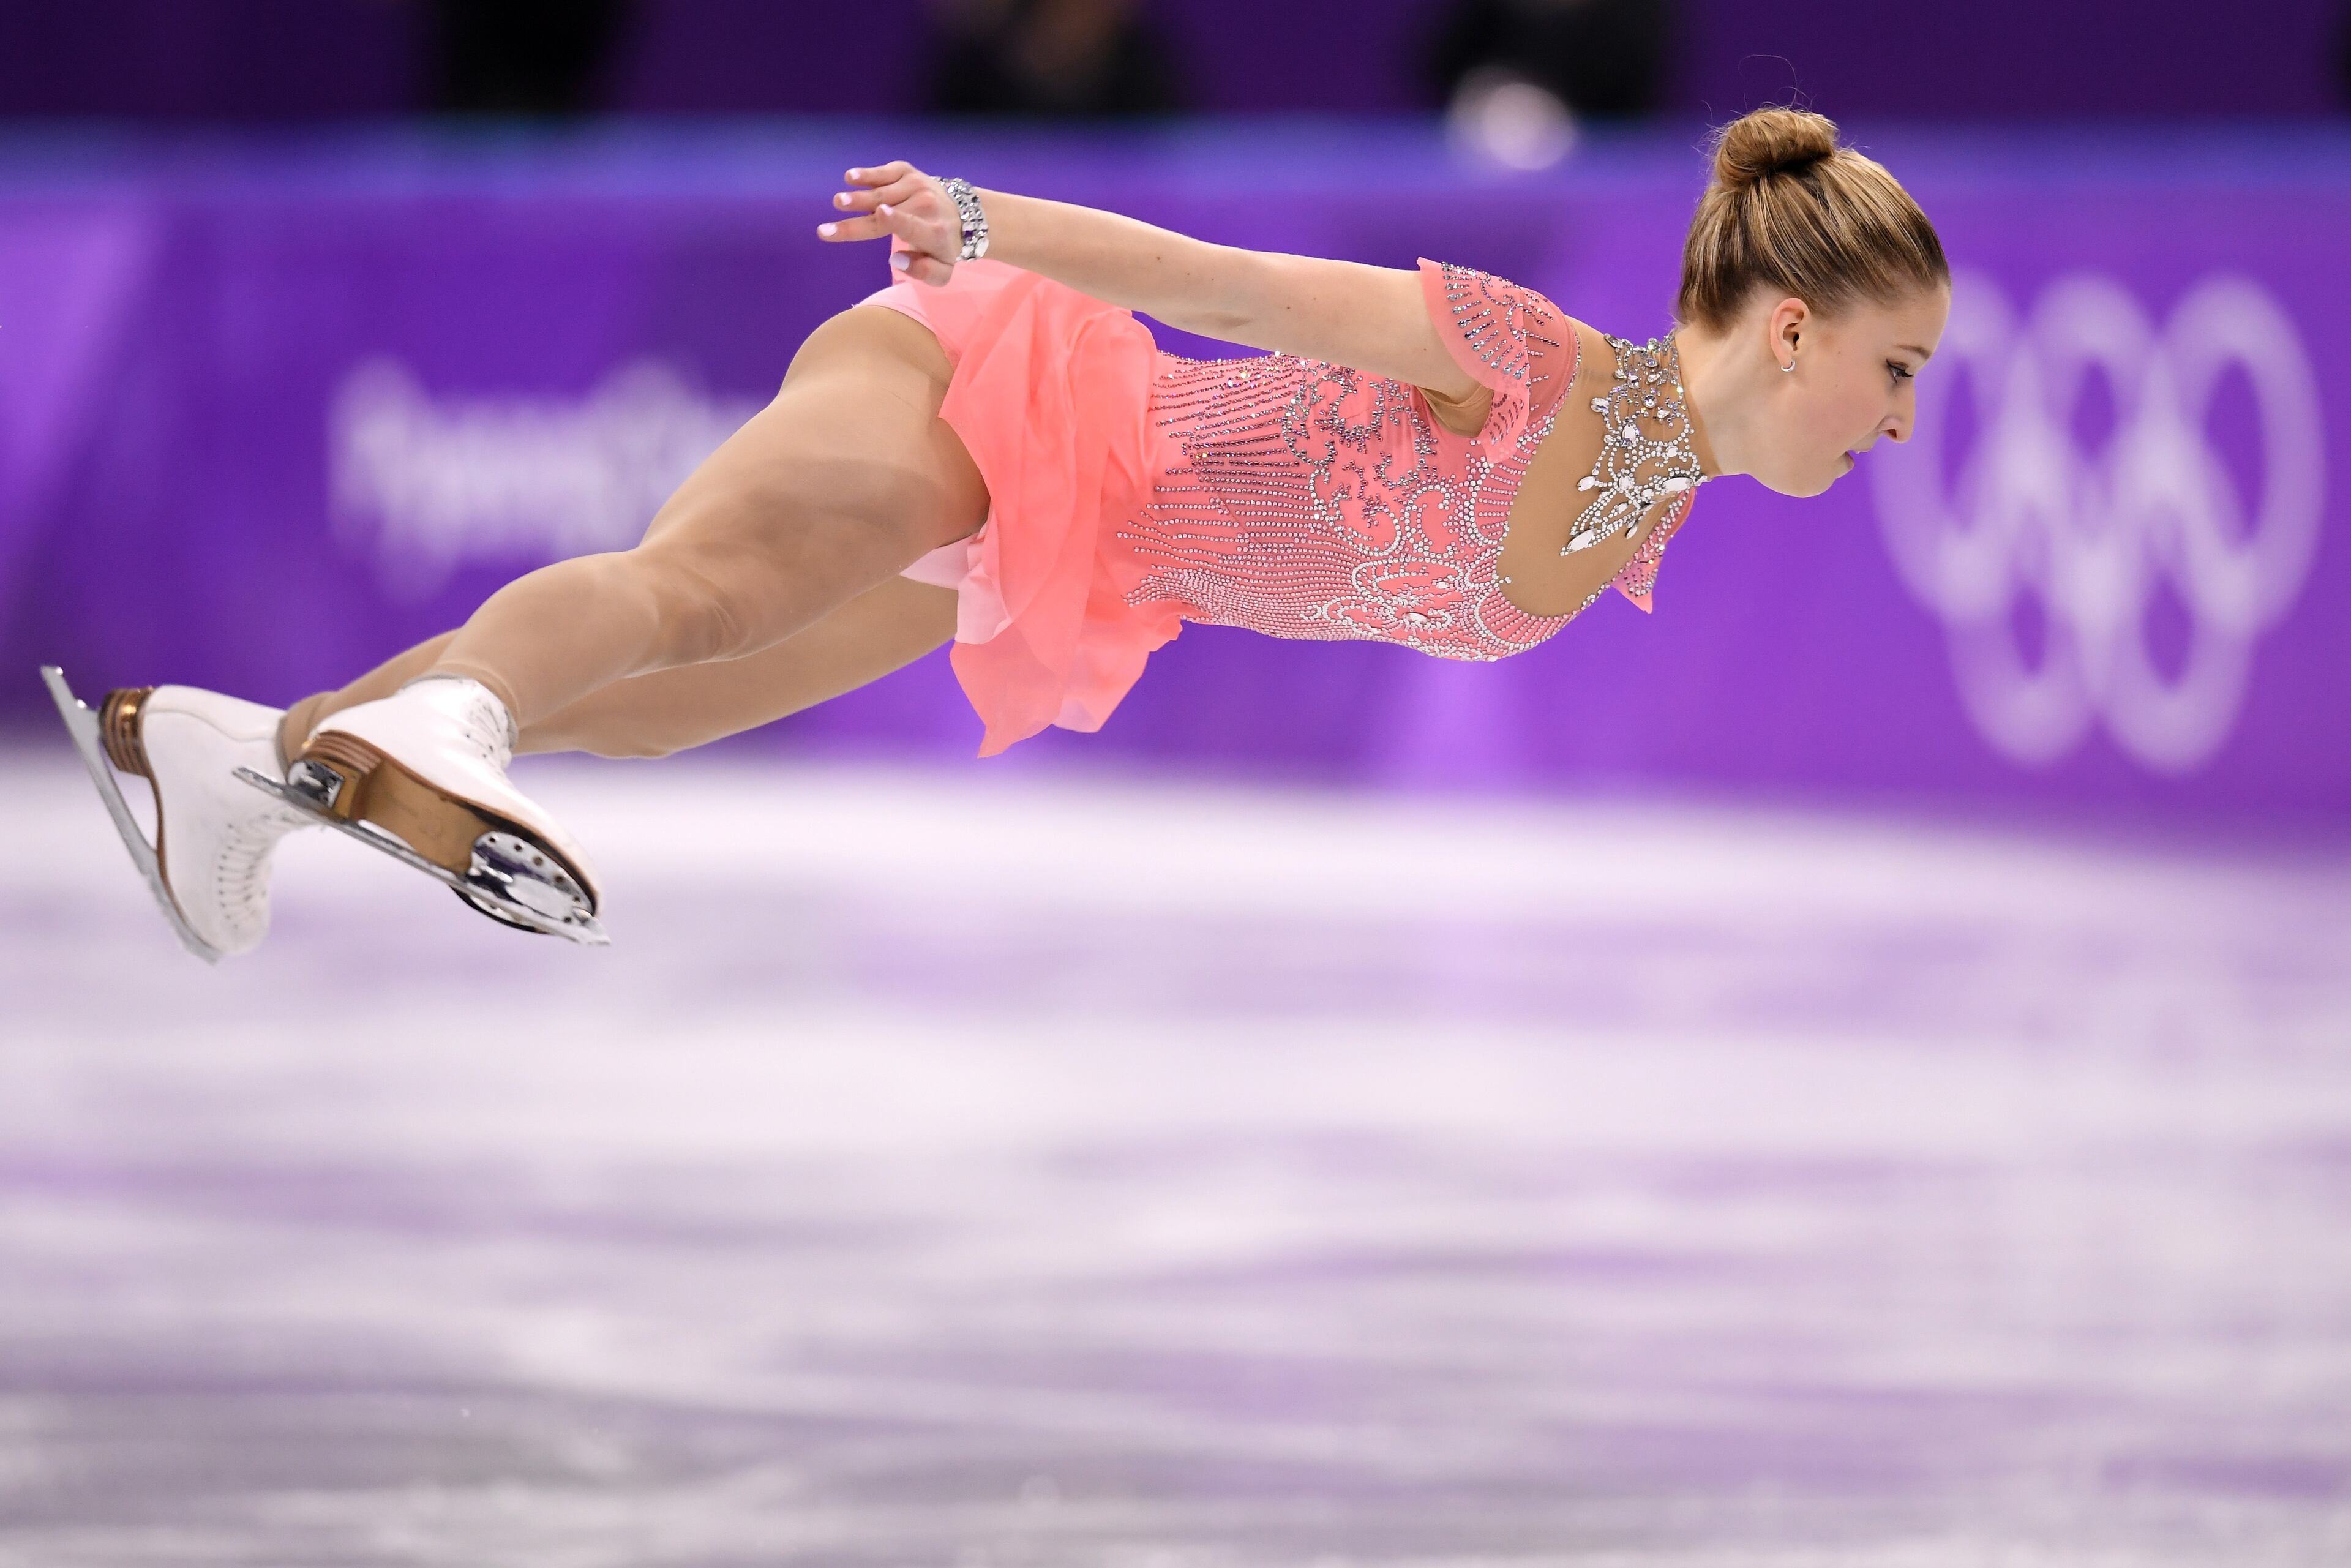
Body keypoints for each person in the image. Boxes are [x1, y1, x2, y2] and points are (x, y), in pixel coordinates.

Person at [47, 106, 1949, 961]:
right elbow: (1238, 283)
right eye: (1896, 369)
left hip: (1089, 549)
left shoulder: (1635, 517)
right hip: (1019, 395)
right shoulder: (1525, 362)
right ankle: (435, 730)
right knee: (697, 598)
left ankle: (240, 757)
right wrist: (986, 214)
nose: (1899, 418)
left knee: (664, 700)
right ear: (1791, 331)